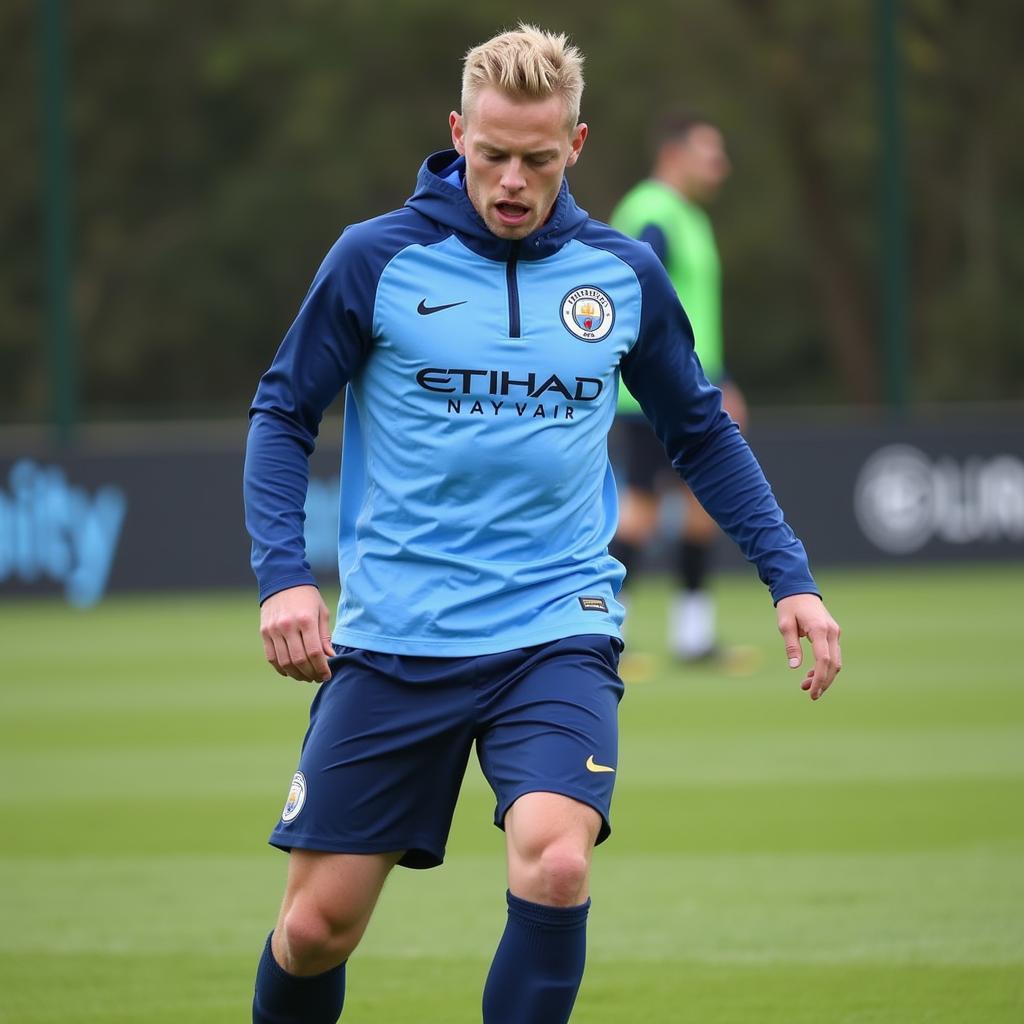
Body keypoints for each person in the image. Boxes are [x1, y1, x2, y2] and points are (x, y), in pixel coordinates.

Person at [243, 23, 841, 1024]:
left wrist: (792, 578)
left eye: (538, 157)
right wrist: (283, 575)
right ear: (455, 134)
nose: (512, 180)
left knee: (557, 862)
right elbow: (282, 412)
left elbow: (698, 431)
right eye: (491, 155)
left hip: (553, 630)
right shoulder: (375, 260)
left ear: (578, 145)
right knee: (313, 931)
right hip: (395, 637)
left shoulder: (619, 275)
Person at [610, 113, 747, 662]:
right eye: (708, 152)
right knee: (640, 510)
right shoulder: (652, 213)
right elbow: (637, 298)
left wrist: (721, 383)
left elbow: (696, 318)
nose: (720, 165)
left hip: (695, 386)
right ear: (674, 154)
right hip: (653, 395)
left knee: (698, 507)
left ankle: (693, 637)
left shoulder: (689, 217)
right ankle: (603, 633)